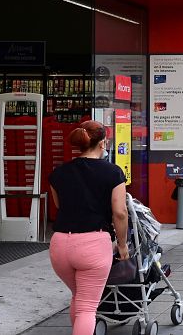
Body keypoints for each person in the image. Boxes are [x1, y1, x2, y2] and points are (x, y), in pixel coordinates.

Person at [48, 120, 129, 335]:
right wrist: (122, 245)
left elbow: (59, 205)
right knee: (87, 308)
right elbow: (120, 213)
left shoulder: (59, 173)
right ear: (103, 143)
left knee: (79, 297)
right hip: (93, 244)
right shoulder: (113, 172)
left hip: (60, 245)